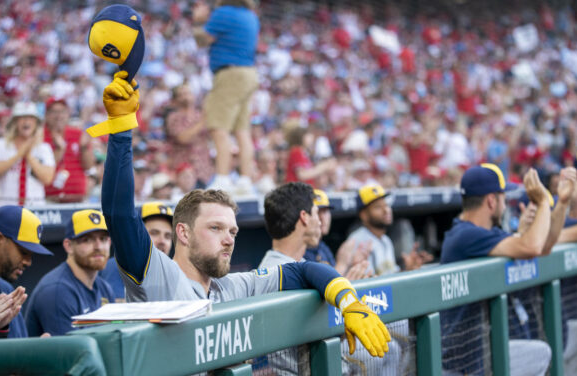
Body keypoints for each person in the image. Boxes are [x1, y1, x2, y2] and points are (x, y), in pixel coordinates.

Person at [97, 71, 391, 359]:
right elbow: (119, 214)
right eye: (216, 228)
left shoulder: (231, 286)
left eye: (233, 232)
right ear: (183, 233)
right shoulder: (159, 276)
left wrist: (349, 301)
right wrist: (121, 128)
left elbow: (303, 270)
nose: (228, 240)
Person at [440, 163, 577, 375]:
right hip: (460, 362)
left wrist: (562, 204)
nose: (505, 205)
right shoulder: (466, 235)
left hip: (474, 353)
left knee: (537, 353)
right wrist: (542, 202)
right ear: (491, 201)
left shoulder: (481, 232)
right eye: (504, 198)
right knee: (538, 353)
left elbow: (544, 246)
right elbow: (531, 246)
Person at [258, 183, 400, 376]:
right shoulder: (276, 272)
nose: (321, 221)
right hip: (306, 371)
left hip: (320, 367)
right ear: (304, 218)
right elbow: (314, 342)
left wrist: (344, 286)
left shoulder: (286, 264)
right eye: (317, 213)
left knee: (388, 347)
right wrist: (343, 290)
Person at [192, 0, 260, 194]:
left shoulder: (224, 12)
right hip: (248, 73)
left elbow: (202, 40)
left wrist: (198, 21)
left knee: (219, 128)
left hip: (229, 74)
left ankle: (223, 179)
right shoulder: (251, 15)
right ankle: (245, 180)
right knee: (242, 130)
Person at [25, 209, 114, 336]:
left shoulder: (104, 288)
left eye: (103, 239)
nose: (98, 246)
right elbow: (69, 353)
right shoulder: (57, 291)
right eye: (87, 240)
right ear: (68, 246)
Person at [0, 205, 53, 338]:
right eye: (23, 252)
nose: (28, 262)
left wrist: (33, 353)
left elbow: (10, 355)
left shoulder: (8, 291)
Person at [348, 184, 431, 276]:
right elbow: (367, 284)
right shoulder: (357, 241)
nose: (386, 210)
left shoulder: (386, 240)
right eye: (378, 207)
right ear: (363, 215)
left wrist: (408, 269)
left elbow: (390, 276)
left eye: (386, 205)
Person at [0, 102, 55, 207]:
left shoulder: (44, 148)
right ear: (15, 122)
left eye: (30, 118)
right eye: (22, 118)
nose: (26, 121)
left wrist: (29, 156)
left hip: (34, 209)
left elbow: (47, 178)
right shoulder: (0, 145)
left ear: (36, 123)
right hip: (3, 208)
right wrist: (19, 154)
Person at [100, 201, 174, 301]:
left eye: (167, 236)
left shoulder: (173, 270)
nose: (162, 241)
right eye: (154, 233)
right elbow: (118, 310)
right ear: (136, 235)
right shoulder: (117, 265)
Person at [304, 189, 371, 280]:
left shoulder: (322, 247)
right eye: (318, 212)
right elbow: (324, 288)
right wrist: (342, 264)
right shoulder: (301, 251)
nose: (322, 217)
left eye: (326, 211)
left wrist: (353, 266)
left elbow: (338, 280)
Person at [43, 97, 95, 203]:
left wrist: (84, 148)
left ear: (68, 114)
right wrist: (59, 150)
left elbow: (88, 166)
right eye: (54, 112)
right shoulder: (39, 136)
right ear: (46, 115)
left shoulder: (77, 134)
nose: (59, 116)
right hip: (49, 200)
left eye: (62, 111)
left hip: (77, 198)